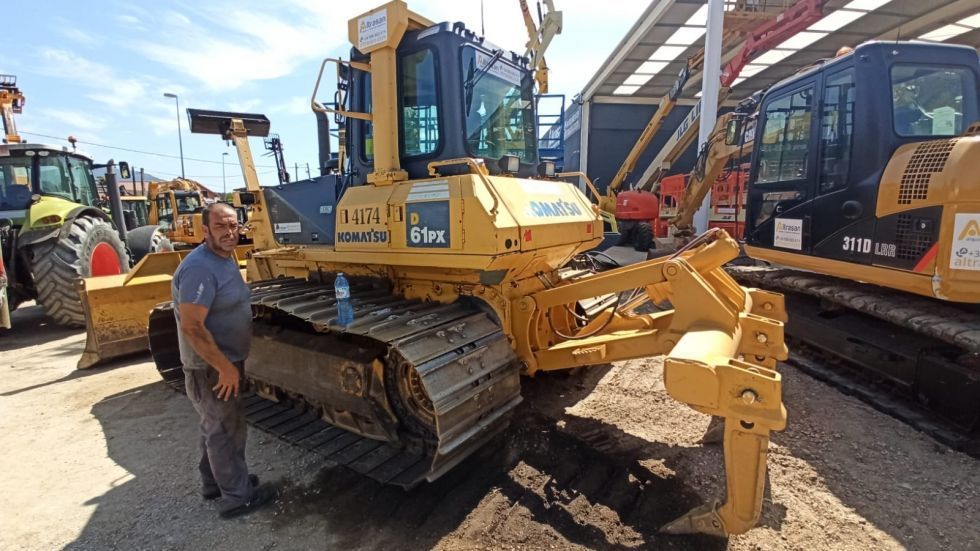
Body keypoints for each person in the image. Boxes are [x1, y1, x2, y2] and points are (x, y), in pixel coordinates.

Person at [171, 202, 275, 519]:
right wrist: (225, 367)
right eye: (221, 227)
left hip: (222, 361)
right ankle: (237, 496)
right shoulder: (200, 268)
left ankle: (215, 483)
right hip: (211, 366)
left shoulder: (222, 258)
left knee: (215, 426)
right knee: (224, 431)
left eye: (234, 225)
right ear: (205, 231)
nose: (230, 233)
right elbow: (192, 325)